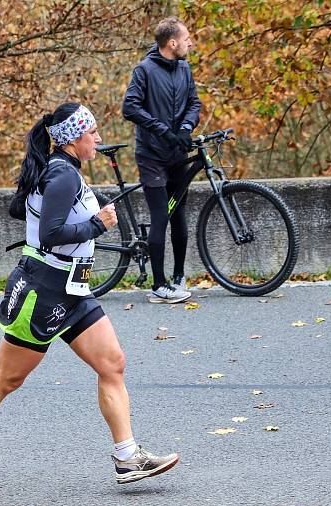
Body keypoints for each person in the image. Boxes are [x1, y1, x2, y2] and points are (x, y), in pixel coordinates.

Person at [0, 102, 179, 499]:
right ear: (74, 138)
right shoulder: (61, 174)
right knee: (6, 378)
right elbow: (50, 234)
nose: (98, 138)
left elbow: (21, 209)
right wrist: (100, 223)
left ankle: (127, 456)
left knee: (112, 363)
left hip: (73, 288)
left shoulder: (56, 170)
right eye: (92, 132)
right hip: (44, 290)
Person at [122, 16, 201, 304]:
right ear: (172, 43)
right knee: (160, 216)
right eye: (186, 37)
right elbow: (129, 107)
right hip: (152, 155)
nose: (190, 42)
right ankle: (158, 285)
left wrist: (184, 129)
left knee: (179, 214)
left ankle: (178, 277)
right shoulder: (144, 71)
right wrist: (164, 131)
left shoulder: (184, 68)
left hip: (176, 152)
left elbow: (194, 103)